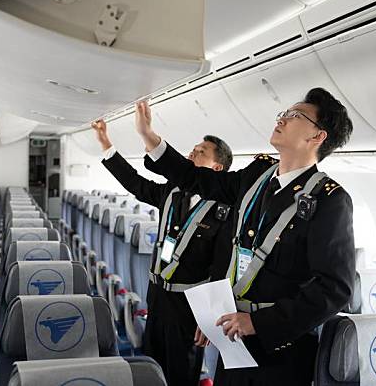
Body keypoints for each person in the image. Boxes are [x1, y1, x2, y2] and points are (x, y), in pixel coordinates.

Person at [133, 87, 356, 385]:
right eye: (285, 113)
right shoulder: (257, 176)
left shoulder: (329, 201)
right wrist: (150, 137)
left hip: (280, 352)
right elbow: (197, 180)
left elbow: (334, 289)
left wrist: (257, 323)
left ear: (317, 137)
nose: (283, 118)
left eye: (295, 115)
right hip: (233, 338)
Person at [91, 118, 234, 386]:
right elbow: (135, 183)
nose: (193, 152)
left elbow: (223, 268)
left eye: (201, 151)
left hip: (188, 307)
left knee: (181, 374)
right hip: (156, 296)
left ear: (217, 168)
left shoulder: (225, 211)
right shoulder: (173, 192)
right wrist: (106, 144)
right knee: (151, 369)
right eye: (194, 148)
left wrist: (209, 317)